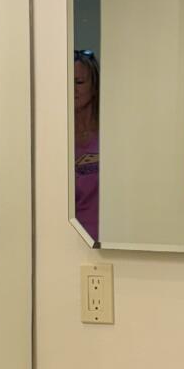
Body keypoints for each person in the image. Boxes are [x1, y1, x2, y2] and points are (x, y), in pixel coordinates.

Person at [74, 50, 100, 242]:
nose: (72, 89)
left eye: (79, 82)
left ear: (94, 86)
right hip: (71, 241)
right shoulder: (52, 136)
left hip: (109, 239)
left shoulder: (111, 132)